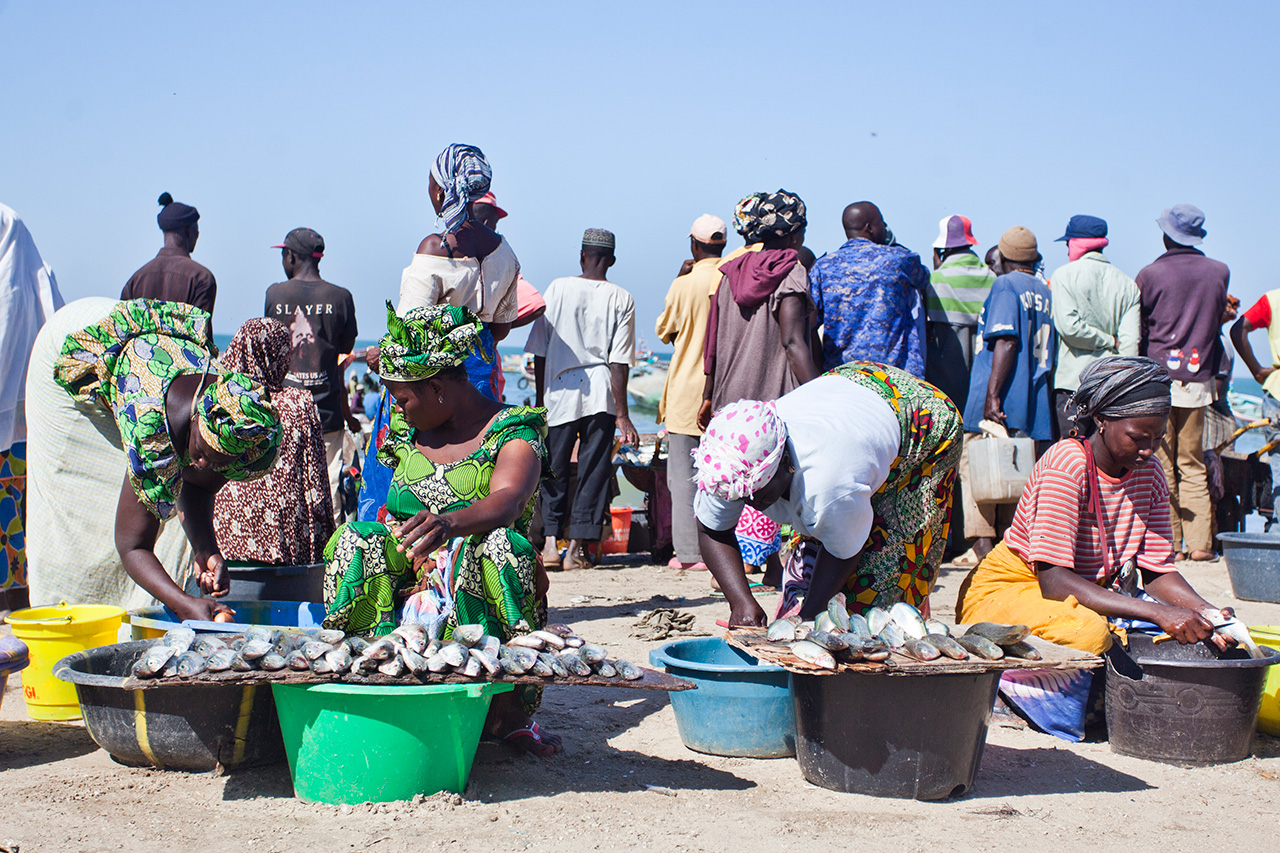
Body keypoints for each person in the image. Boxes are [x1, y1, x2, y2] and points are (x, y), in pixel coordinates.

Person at [323, 303, 561, 756]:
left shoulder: (512, 431)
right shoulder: (410, 428)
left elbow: (507, 500)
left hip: (475, 583)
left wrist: (451, 524)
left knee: (499, 547)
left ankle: (506, 713)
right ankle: (364, 673)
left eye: (404, 398)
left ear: (436, 388)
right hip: (410, 586)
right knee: (355, 538)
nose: (399, 408)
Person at [956, 357, 1233, 739]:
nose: (1149, 451)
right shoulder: (1067, 464)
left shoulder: (1148, 474)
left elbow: (1156, 572)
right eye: (1138, 438)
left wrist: (1205, 611)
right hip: (1011, 589)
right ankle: (1005, 688)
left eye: (1158, 439)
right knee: (1090, 633)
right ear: (1102, 419)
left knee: (1172, 630)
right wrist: (1160, 613)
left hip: (1083, 592)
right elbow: (1053, 582)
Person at [25, 299, 281, 619]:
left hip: (150, 355)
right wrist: (183, 604)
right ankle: (71, 611)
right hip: (75, 350)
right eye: (201, 454)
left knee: (156, 499)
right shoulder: (153, 423)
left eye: (216, 463)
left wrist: (205, 548)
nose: (202, 465)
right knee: (81, 510)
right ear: (193, 418)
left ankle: (133, 612)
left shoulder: (231, 415)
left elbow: (197, 484)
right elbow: (132, 546)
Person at [694, 361, 961, 626]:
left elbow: (842, 551)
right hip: (848, 394)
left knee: (877, 591)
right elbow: (712, 529)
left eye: (757, 492)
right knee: (803, 579)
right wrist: (741, 601)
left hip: (922, 419)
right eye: (743, 496)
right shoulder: (731, 461)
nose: (750, 502)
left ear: (787, 461)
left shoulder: (828, 484)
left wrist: (810, 618)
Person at [699, 192, 818, 587]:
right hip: (776, 403)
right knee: (783, 484)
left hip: (730, 400)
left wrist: (708, 393)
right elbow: (794, 342)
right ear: (796, 232)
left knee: (730, 490)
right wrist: (821, 396)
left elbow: (712, 342)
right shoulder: (791, 270)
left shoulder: (729, 272)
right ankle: (774, 567)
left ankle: (732, 572)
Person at [525, 229, 637, 570]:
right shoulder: (622, 298)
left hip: (559, 391)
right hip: (601, 391)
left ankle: (548, 545)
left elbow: (540, 350)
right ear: (612, 261)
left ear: (581, 256)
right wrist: (623, 414)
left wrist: (539, 399)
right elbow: (619, 361)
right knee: (593, 470)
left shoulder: (558, 288)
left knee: (552, 469)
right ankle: (574, 549)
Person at [1136, 204, 1230, 562]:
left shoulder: (1149, 275)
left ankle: (1168, 543)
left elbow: (1142, 328)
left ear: (1166, 235)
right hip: (1199, 380)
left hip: (1158, 381)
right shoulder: (1219, 272)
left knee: (1159, 460)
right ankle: (1200, 544)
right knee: (1191, 463)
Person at [957, 227, 1056, 563]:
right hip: (1032, 400)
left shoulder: (1005, 285)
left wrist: (992, 396)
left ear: (1003, 254)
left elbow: (1007, 341)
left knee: (976, 468)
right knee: (1015, 479)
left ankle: (982, 545)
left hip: (1000, 395)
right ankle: (1007, 548)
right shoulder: (1042, 290)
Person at [398, 144, 519, 402]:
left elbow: (407, 330)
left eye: (430, 184)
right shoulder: (504, 252)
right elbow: (500, 328)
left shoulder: (434, 249)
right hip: (481, 382)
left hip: (433, 388)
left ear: (440, 191)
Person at [214, 319, 334, 565]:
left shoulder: (216, 401)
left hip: (220, 538)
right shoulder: (297, 403)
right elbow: (316, 478)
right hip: (284, 540)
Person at [264, 227, 359, 522]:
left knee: (279, 480)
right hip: (326, 410)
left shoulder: (275, 294)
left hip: (282, 409)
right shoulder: (341, 297)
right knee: (329, 480)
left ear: (292, 256)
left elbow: (267, 346)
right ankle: (326, 553)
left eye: (284, 254)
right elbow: (345, 349)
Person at [655, 214, 727, 571]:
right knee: (726, 475)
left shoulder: (683, 284)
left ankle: (690, 554)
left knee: (683, 478)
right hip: (726, 390)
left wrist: (679, 279)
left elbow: (664, 329)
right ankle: (728, 551)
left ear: (694, 246)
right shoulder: (733, 277)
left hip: (687, 391)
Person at [0, 204, 63, 605]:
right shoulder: (40, 276)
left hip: (16, 426)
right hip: (28, 423)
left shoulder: (15, 290)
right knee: (18, 516)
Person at [808, 201, 929, 375]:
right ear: (870, 227)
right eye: (882, 222)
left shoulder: (822, 267)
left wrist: (824, 372)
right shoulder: (899, 259)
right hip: (895, 378)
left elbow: (810, 325)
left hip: (842, 377)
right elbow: (923, 278)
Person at [1048, 215, 1141, 439]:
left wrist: (1105, 340)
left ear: (1074, 243)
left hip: (1073, 385)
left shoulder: (1063, 275)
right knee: (1104, 460)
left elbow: (1070, 329)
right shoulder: (1128, 284)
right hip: (1110, 386)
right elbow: (1131, 344)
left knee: (1072, 453)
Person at [924, 215, 996, 410]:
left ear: (941, 249)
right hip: (984, 377)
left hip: (949, 376)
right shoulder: (992, 278)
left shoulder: (935, 280)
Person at [121, 193, 217, 315]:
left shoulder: (136, 279)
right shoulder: (202, 278)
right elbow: (201, 331)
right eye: (196, 230)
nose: (197, 235)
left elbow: (122, 327)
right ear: (188, 232)